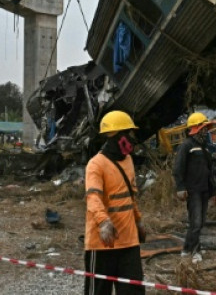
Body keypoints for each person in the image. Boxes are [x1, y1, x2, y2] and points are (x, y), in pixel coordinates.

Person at [84, 110, 146, 295]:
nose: (133, 138)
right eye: (129, 133)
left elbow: (130, 196)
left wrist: (138, 220)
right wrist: (104, 222)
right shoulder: (96, 164)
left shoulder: (128, 161)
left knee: (133, 291)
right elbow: (93, 197)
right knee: (98, 291)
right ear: (118, 137)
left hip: (129, 241)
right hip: (103, 242)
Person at [173, 112, 216, 263]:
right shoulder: (186, 146)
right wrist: (180, 187)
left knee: (198, 222)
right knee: (196, 222)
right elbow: (178, 168)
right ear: (195, 129)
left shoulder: (204, 148)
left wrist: (214, 192)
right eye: (203, 128)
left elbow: (209, 172)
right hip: (193, 191)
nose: (206, 131)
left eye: (206, 128)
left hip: (204, 191)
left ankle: (187, 249)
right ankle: (195, 252)